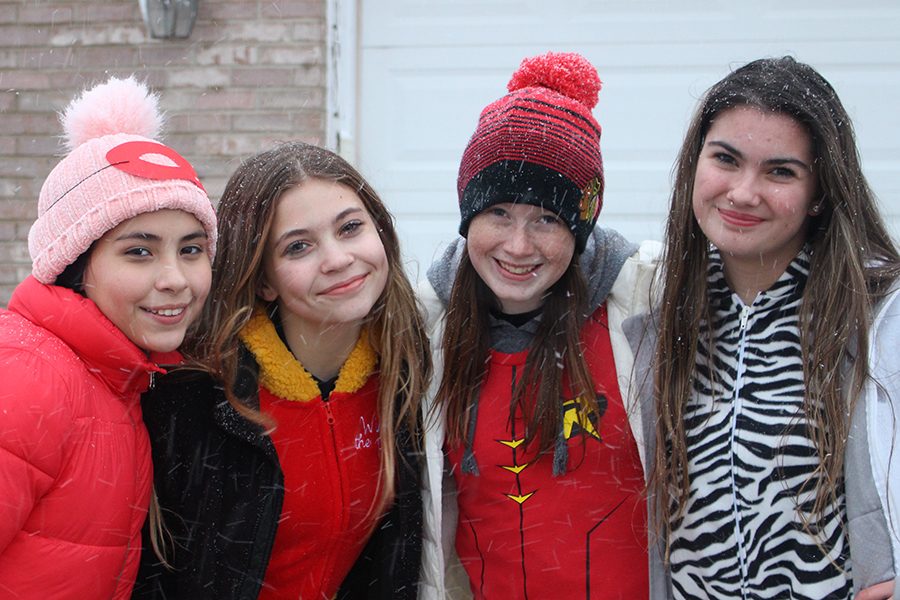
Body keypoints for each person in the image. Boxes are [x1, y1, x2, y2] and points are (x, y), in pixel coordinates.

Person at [632, 56, 900, 599]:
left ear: (820, 191)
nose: (743, 192)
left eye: (780, 171)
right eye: (725, 159)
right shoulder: (658, 311)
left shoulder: (878, 318)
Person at [132, 141, 431, 599]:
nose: (337, 259)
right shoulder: (195, 396)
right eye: (298, 247)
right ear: (264, 280)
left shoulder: (407, 370)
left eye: (350, 228)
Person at [419, 51, 660, 599]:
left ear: (581, 227)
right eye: (498, 213)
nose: (518, 247)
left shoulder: (646, 307)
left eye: (548, 219)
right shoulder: (425, 327)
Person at [0, 77, 217, 598]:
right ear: (74, 262)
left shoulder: (118, 375)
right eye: (139, 251)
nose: (175, 278)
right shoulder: (29, 379)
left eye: (191, 249)